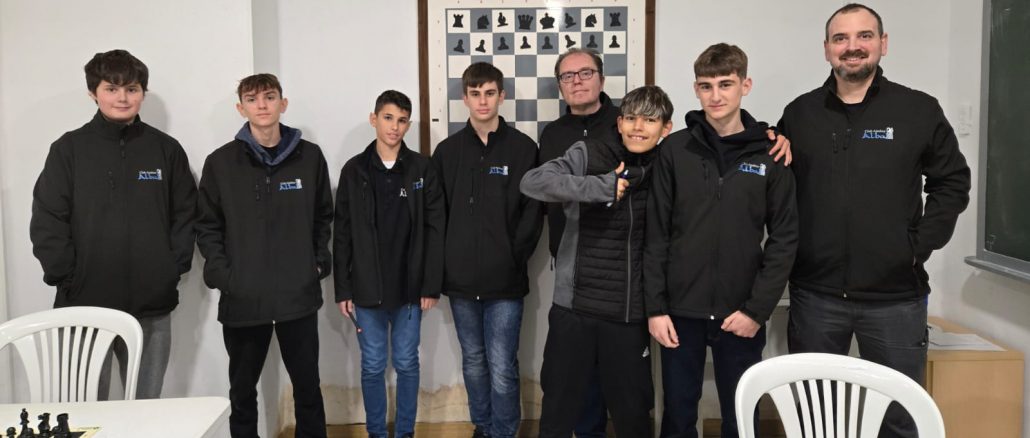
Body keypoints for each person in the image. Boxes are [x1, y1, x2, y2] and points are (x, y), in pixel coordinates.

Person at [778, 4, 971, 437]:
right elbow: (774, 183)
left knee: (900, 419)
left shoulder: (918, 110)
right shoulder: (800, 114)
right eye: (841, 38)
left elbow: (953, 182)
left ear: (883, 44)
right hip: (816, 295)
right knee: (815, 417)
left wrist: (916, 246)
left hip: (895, 298)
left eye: (864, 36)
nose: (853, 47)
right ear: (827, 49)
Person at [645, 43, 798, 438]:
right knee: (679, 415)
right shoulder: (675, 150)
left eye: (725, 84)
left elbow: (784, 239)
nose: (715, 95)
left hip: (740, 313)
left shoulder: (769, 154)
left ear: (745, 85)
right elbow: (656, 233)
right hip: (680, 312)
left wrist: (756, 311)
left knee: (741, 416)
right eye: (706, 86)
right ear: (696, 89)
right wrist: (656, 308)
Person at [30, 49, 197, 400]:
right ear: (93, 93)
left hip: (152, 307)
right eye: (111, 88)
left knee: (145, 405)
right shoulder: (68, 150)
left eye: (131, 89)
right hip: (84, 307)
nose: (122, 98)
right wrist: (68, 278)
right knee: (89, 408)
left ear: (142, 93)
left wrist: (170, 269)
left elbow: (185, 214)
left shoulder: (166, 150)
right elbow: (48, 218)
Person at [522, 85, 675, 437]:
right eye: (631, 118)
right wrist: (598, 187)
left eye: (649, 120)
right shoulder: (590, 152)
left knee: (633, 416)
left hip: (629, 313)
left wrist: (771, 135)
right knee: (558, 412)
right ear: (619, 123)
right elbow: (533, 182)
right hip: (574, 308)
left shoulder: (670, 163)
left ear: (665, 128)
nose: (638, 127)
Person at [196, 73, 332, 438]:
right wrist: (224, 276)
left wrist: (317, 262)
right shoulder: (220, 163)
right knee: (242, 392)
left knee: (307, 388)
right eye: (252, 99)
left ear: (283, 104)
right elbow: (207, 225)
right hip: (244, 297)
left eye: (269, 97)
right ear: (240, 108)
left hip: (297, 296)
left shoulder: (310, 158)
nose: (262, 105)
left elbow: (323, 216)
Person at [431, 62, 543, 438]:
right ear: (464, 98)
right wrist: (446, 264)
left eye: (490, 93)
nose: (483, 101)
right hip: (460, 281)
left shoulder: (523, 149)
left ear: (501, 96)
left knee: (502, 365)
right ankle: (483, 426)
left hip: (505, 281)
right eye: (475, 94)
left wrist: (513, 257)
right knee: (474, 361)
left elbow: (533, 212)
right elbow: (437, 215)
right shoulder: (447, 152)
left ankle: (504, 432)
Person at [334, 90, 445, 438]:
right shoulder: (354, 170)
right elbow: (342, 234)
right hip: (366, 288)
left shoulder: (422, 169)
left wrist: (430, 285)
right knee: (372, 365)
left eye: (402, 120)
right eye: (388, 118)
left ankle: (405, 432)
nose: (394, 127)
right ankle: (376, 433)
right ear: (374, 119)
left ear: (408, 125)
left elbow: (435, 229)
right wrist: (343, 289)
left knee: (407, 363)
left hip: (410, 289)